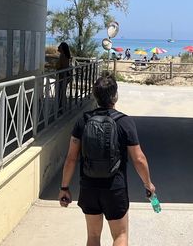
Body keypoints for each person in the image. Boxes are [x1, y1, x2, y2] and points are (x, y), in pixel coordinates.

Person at [58, 75, 156, 246]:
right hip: (114, 188)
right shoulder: (125, 122)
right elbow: (139, 159)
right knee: (120, 235)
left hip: (89, 186)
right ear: (115, 96)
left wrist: (64, 188)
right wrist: (148, 184)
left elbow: (71, 159)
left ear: (95, 96)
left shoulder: (83, 120)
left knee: (93, 236)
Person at [57, 42, 72, 113]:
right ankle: (62, 107)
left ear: (62, 48)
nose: (58, 47)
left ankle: (61, 108)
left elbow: (60, 66)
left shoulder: (62, 56)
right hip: (65, 76)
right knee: (62, 92)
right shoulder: (65, 55)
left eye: (59, 47)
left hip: (63, 76)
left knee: (61, 92)